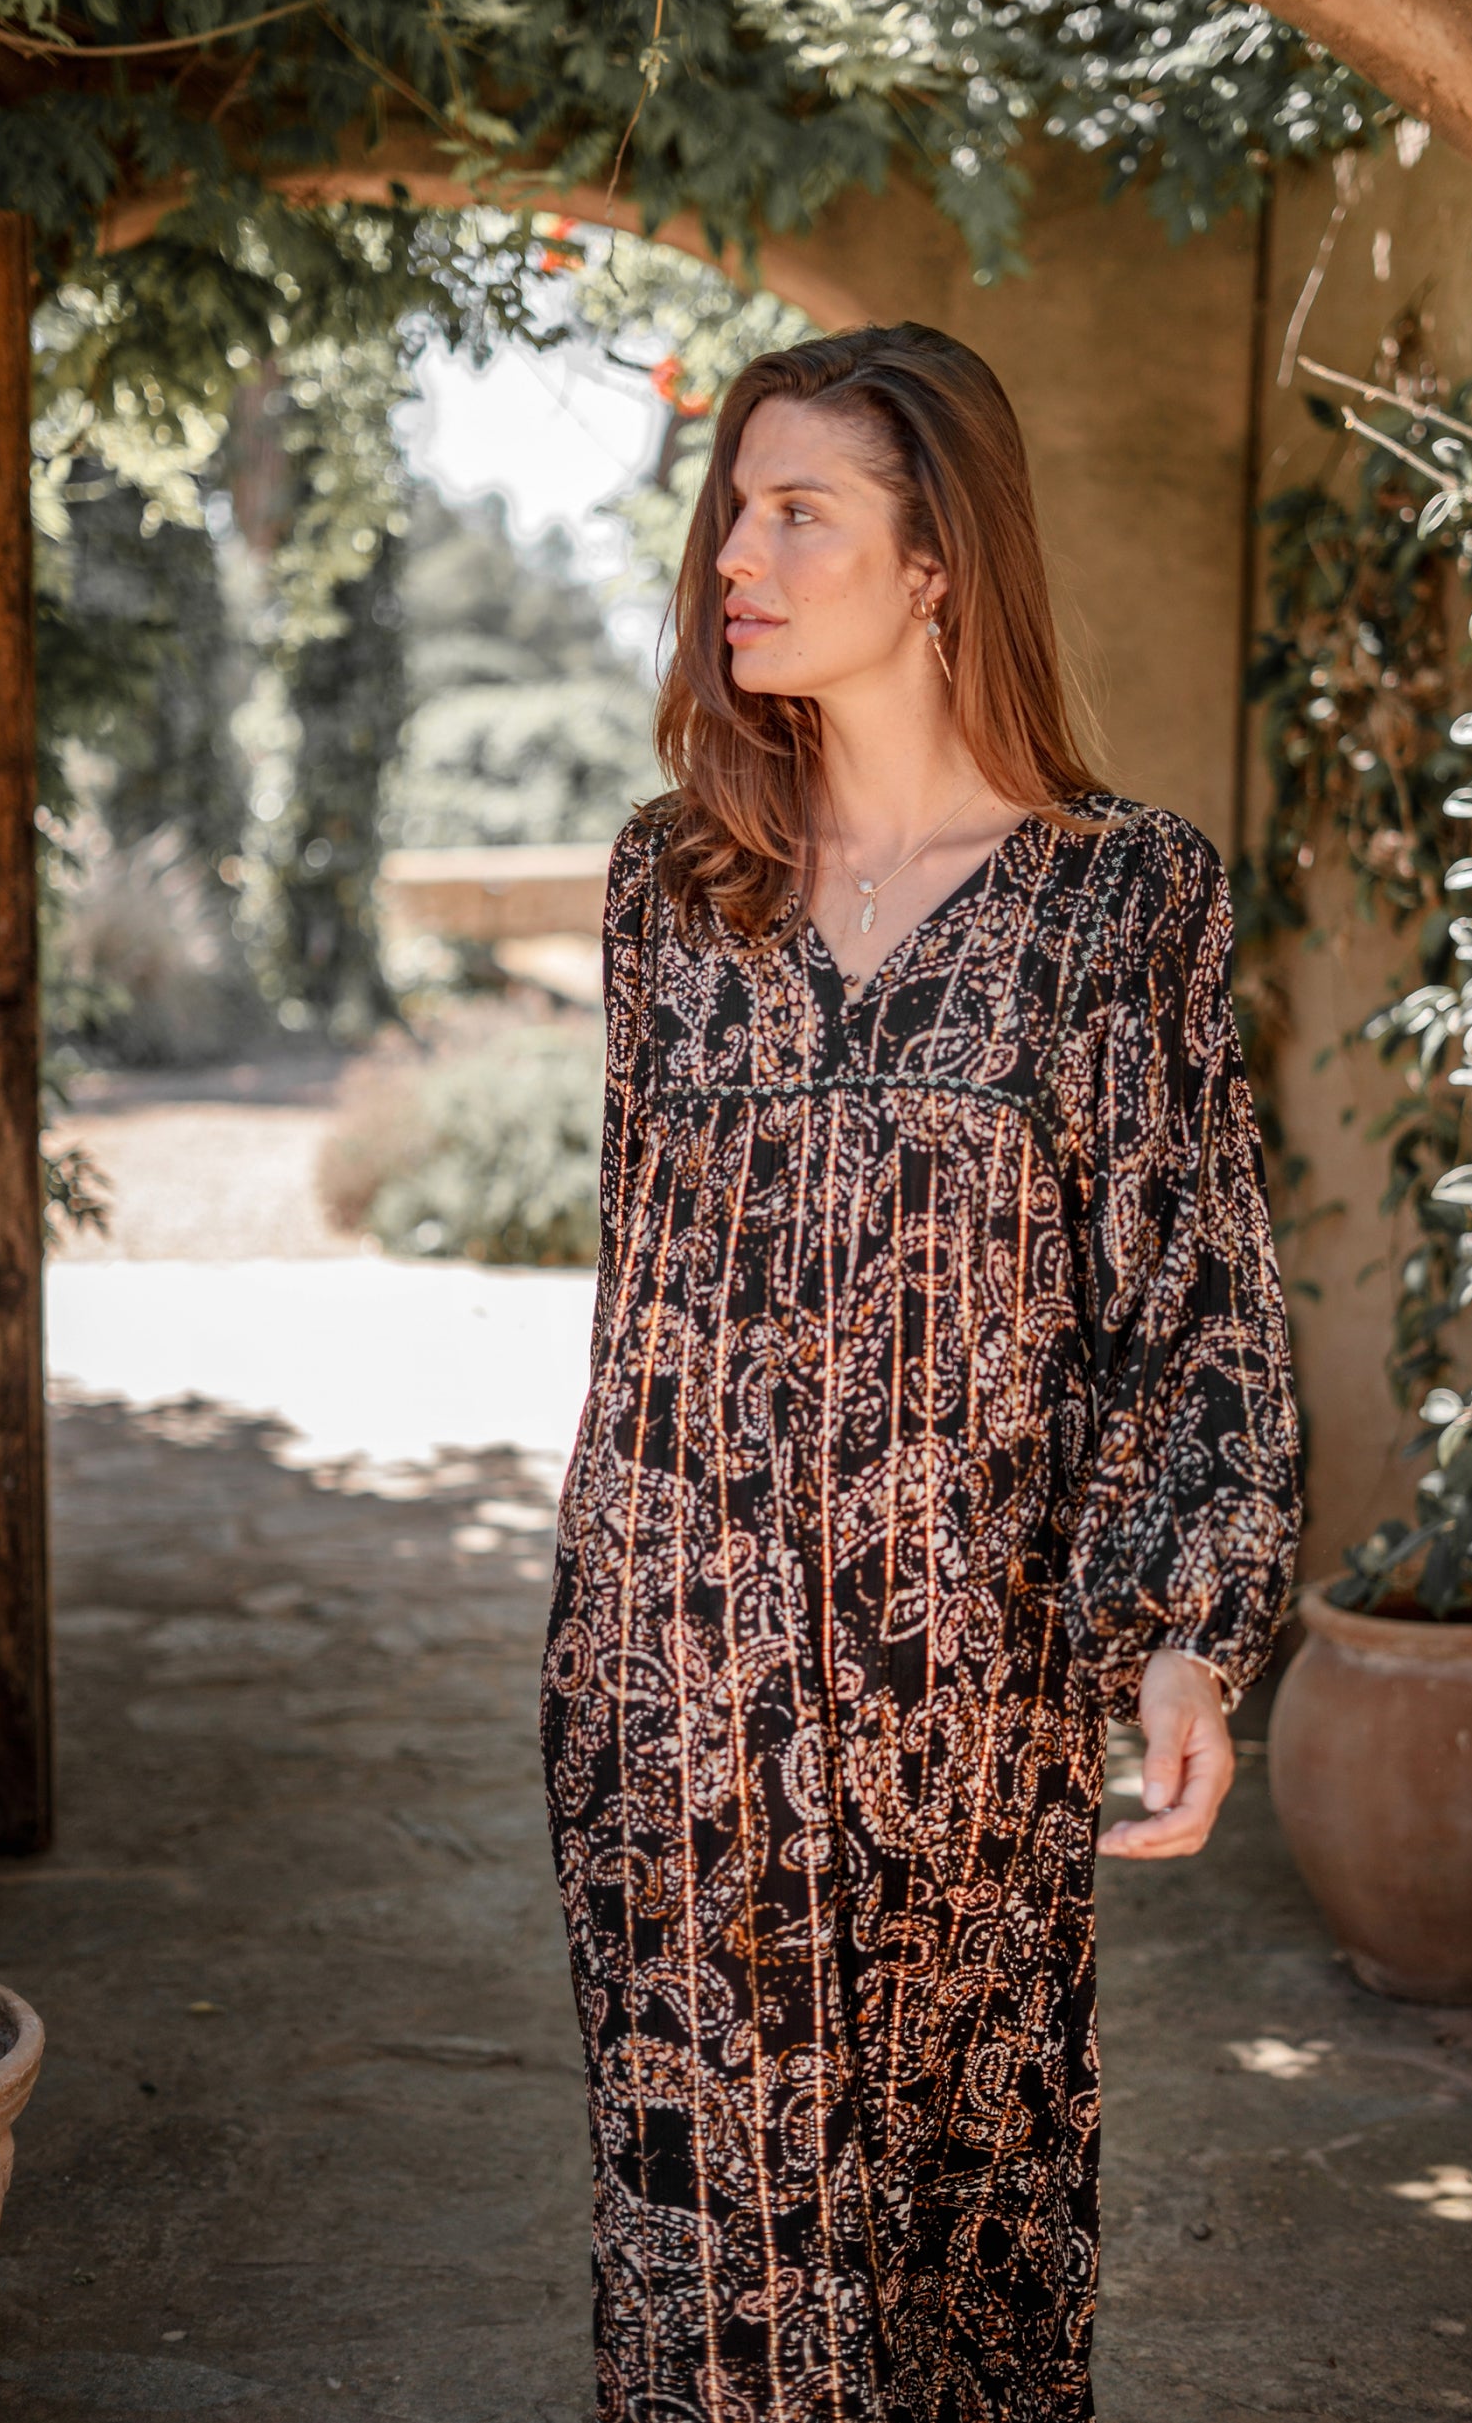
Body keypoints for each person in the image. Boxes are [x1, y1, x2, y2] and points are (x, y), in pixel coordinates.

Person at [541, 321, 1300, 2423]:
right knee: (714, 2295)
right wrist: (621, 1630)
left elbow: (1192, 1305)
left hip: (974, 1713)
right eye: (733, 512)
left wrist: (1185, 1636)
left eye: (799, 512)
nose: (737, 556)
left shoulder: (1117, 899)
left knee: (963, 2273)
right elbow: (639, 1299)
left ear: (937, 558)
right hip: (672, 1699)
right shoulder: (670, 887)